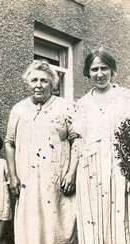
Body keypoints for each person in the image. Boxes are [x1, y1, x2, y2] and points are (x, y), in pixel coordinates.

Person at [4, 60, 79, 244]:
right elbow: (9, 142)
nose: (39, 85)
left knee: (59, 228)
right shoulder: (19, 110)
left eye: (44, 81)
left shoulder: (65, 106)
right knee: (31, 229)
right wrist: (13, 176)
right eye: (34, 80)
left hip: (57, 181)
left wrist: (71, 173)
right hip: (27, 182)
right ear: (28, 83)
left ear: (52, 84)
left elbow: (77, 139)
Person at [70, 48, 130, 243]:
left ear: (112, 70)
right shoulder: (83, 104)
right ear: (88, 72)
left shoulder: (125, 98)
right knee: (92, 222)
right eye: (94, 69)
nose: (100, 74)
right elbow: (78, 140)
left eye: (104, 68)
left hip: (120, 168)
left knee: (120, 222)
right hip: (90, 170)